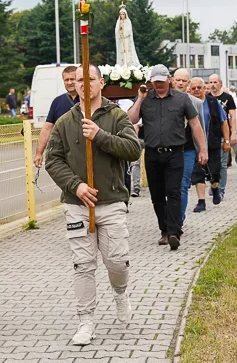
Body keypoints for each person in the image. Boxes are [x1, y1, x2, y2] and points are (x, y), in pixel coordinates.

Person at [45, 64, 141, 346]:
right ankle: (85, 321)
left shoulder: (116, 116)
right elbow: (53, 160)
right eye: (77, 80)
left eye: (89, 79)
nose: (83, 84)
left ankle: (120, 293)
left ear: (100, 82)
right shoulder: (65, 121)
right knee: (83, 265)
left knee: (116, 261)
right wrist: (76, 186)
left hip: (110, 202)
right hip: (77, 204)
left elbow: (133, 149)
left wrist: (99, 135)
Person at [127, 65, 206, 251]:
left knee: (174, 192)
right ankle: (164, 229)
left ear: (169, 80)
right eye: (156, 82)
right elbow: (131, 119)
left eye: (162, 82)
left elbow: (195, 124)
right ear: (151, 82)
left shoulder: (182, 99)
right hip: (153, 154)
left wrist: (203, 149)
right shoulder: (146, 100)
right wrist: (139, 99)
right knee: (157, 195)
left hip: (175, 153)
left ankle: (173, 232)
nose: (160, 85)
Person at [188, 78, 228, 212]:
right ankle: (201, 201)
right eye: (193, 88)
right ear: (190, 89)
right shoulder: (187, 103)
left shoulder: (213, 102)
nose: (196, 90)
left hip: (213, 142)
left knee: (214, 171)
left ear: (204, 88)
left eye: (199, 88)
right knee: (198, 172)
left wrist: (227, 140)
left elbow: (224, 121)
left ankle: (215, 188)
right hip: (194, 144)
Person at [171, 69, 202, 223]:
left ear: (188, 83)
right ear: (172, 81)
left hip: (187, 149)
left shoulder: (196, 102)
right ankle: (171, 217)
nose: (181, 83)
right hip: (169, 150)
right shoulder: (165, 100)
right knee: (170, 187)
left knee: (183, 185)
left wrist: (203, 149)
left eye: (184, 80)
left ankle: (178, 220)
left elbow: (201, 127)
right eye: (178, 80)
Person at [34, 66, 79, 168]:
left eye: (72, 79)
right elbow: (47, 128)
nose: (69, 82)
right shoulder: (57, 102)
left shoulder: (88, 99)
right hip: (63, 153)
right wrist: (39, 153)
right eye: (66, 80)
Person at [208, 74, 236, 200]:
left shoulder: (228, 98)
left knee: (223, 163)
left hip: (222, 135)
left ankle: (221, 189)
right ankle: (213, 183)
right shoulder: (206, 98)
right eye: (210, 82)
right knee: (211, 163)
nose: (213, 84)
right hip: (210, 136)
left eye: (215, 82)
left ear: (220, 83)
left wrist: (232, 135)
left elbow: (232, 117)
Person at [115, 4, 140, 68]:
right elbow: (116, 30)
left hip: (126, 39)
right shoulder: (119, 21)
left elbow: (129, 31)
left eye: (123, 14)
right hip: (121, 39)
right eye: (121, 14)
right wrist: (119, 33)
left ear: (125, 14)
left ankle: (128, 64)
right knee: (122, 51)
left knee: (127, 51)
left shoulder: (128, 21)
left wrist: (124, 32)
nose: (122, 15)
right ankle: (123, 64)